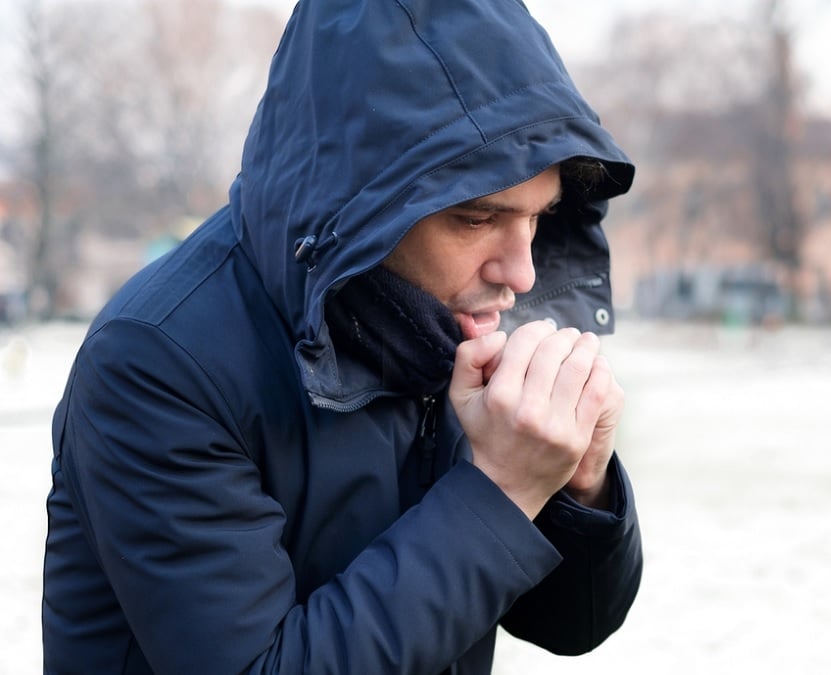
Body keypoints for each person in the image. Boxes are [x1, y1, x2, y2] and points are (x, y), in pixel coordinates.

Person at [41, 0, 642, 673]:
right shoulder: (156, 362)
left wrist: (578, 486)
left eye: (541, 216)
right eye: (477, 218)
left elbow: (573, 621)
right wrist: (500, 491)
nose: (523, 271)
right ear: (361, 200)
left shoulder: (443, 322)